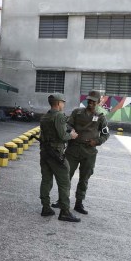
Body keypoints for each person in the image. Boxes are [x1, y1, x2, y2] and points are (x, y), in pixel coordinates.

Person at [52, 90, 109, 215]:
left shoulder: (101, 116)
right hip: (73, 149)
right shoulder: (77, 112)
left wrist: (97, 141)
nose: (91, 103)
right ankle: (62, 200)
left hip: (89, 152)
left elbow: (106, 134)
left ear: (98, 102)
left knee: (84, 178)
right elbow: (67, 125)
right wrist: (72, 131)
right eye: (89, 100)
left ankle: (79, 203)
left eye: (94, 101)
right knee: (66, 176)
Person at [39, 93, 81, 223]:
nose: (63, 105)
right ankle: (65, 211)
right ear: (58, 103)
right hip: (56, 154)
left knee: (46, 180)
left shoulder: (45, 116)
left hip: (45, 153)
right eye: (63, 102)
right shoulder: (59, 116)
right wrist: (72, 135)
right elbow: (63, 136)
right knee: (64, 182)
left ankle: (45, 208)